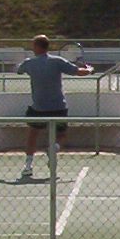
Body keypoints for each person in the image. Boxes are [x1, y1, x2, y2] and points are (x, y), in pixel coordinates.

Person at [15, 34, 84, 180]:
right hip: (58, 107)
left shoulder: (29, 63)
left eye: (33, 46)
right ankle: (54, 148)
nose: (32, 48)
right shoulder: (58, 61)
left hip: (38, 108)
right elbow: (78, 72)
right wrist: (90, 70)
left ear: (37, 47)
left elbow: (19, 70)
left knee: (33, 135)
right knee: (61, 135)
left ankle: (28, 166)